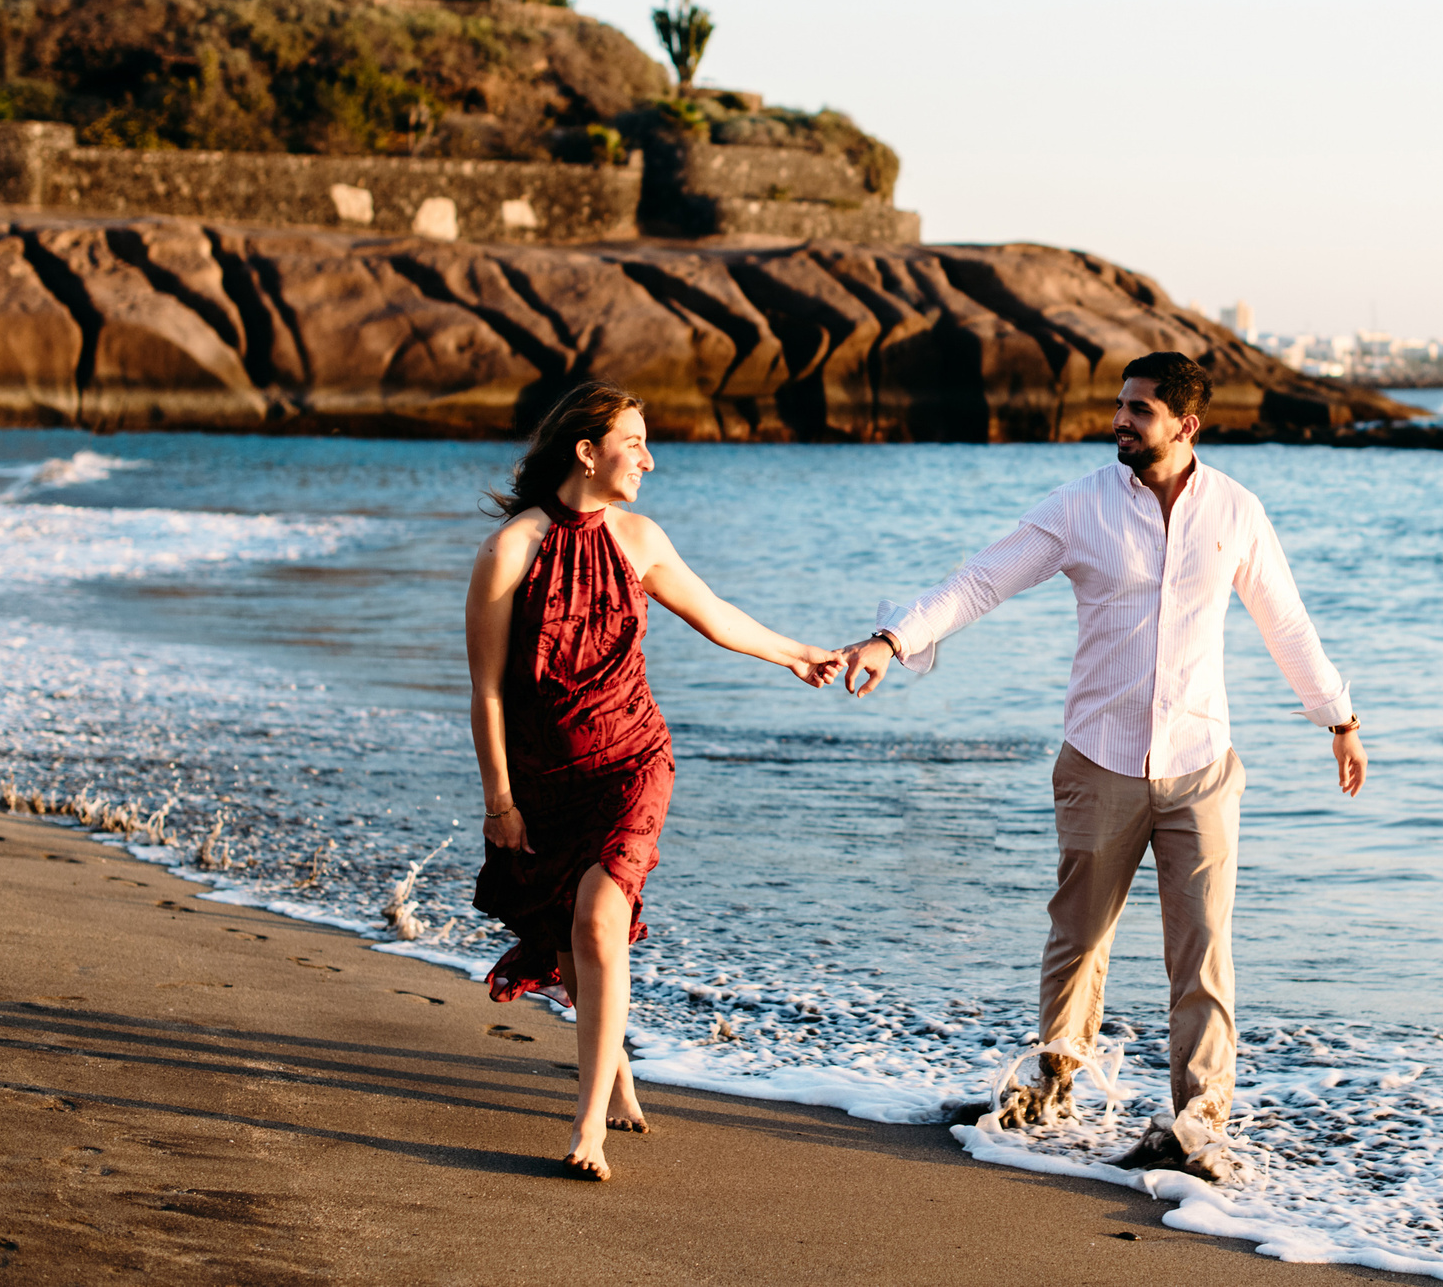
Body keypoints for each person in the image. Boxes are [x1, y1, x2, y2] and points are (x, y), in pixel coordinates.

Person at [837, 352, 1364, 1183]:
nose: (1121, 420)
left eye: (1140, 410)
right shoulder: (1081, 504)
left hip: (1201, 764)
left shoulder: (1236, 510)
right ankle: (1053, 1088)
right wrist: (893, 637)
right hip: (1099, 759)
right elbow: (982, 580)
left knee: (1203, 949)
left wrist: (1337, 715)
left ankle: (1198, 1124)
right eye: (1120, 405)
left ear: (1186, 425)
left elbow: (1284, 620)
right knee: (1079, 936)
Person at [467, 380, 844, 1181]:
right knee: (574, 934)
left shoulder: (639, 537)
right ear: (586, 450)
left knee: (600, 918)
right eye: (634, 440)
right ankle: (618, 1072)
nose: (649, 456)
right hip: (544, 777)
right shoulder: (513, 549)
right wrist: (499, 801)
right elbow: (489, 688)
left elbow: (715, 614)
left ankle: (587, 1124)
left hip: (634, 758)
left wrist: (797, 653)